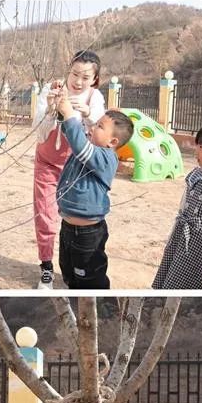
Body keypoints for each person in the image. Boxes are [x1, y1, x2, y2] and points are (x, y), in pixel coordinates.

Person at [32, 50, 106, 289]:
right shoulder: (52, 88)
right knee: (45, 215)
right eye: (74, 74)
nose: (78, 81)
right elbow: (40, 133)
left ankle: (71, 267)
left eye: (85, 77)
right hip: (47, 162)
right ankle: (46, 267)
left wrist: (87, 116)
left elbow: (101, 136)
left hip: (75, 168)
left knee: (71, 218)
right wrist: (51, 109)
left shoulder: (95, 98)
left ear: (94, 79)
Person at [55, 92, 134, 289]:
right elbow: (70, 133)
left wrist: (70, 115)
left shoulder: (106, 158)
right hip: (67, 228)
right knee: (69, 271)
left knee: (90, 278)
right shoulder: (86, 148)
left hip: (88, 233)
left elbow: (79, 145)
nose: (92, 127)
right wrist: (61, 108)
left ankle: (99, 306)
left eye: (100, 126)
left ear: (113, 142)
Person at [153, 122, 202, 289]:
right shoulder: (196, 175)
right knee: (172, 283)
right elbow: (182, 210)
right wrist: (172, 239)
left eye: (201, 147)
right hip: (181, 246)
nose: (195, 151)